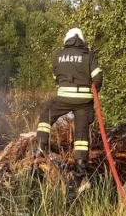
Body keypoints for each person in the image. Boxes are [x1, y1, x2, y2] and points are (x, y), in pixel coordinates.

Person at [35, 28, 103, 178]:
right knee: (81, 133)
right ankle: (80, 167)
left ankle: (39, 150)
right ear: (81, 39)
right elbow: (98, 77)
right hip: (84, 101)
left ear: (67, 39)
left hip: (63, 98)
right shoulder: (88, 55)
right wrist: (92, 91)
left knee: (46, 117)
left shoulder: (59, 55)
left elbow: (56, 78)